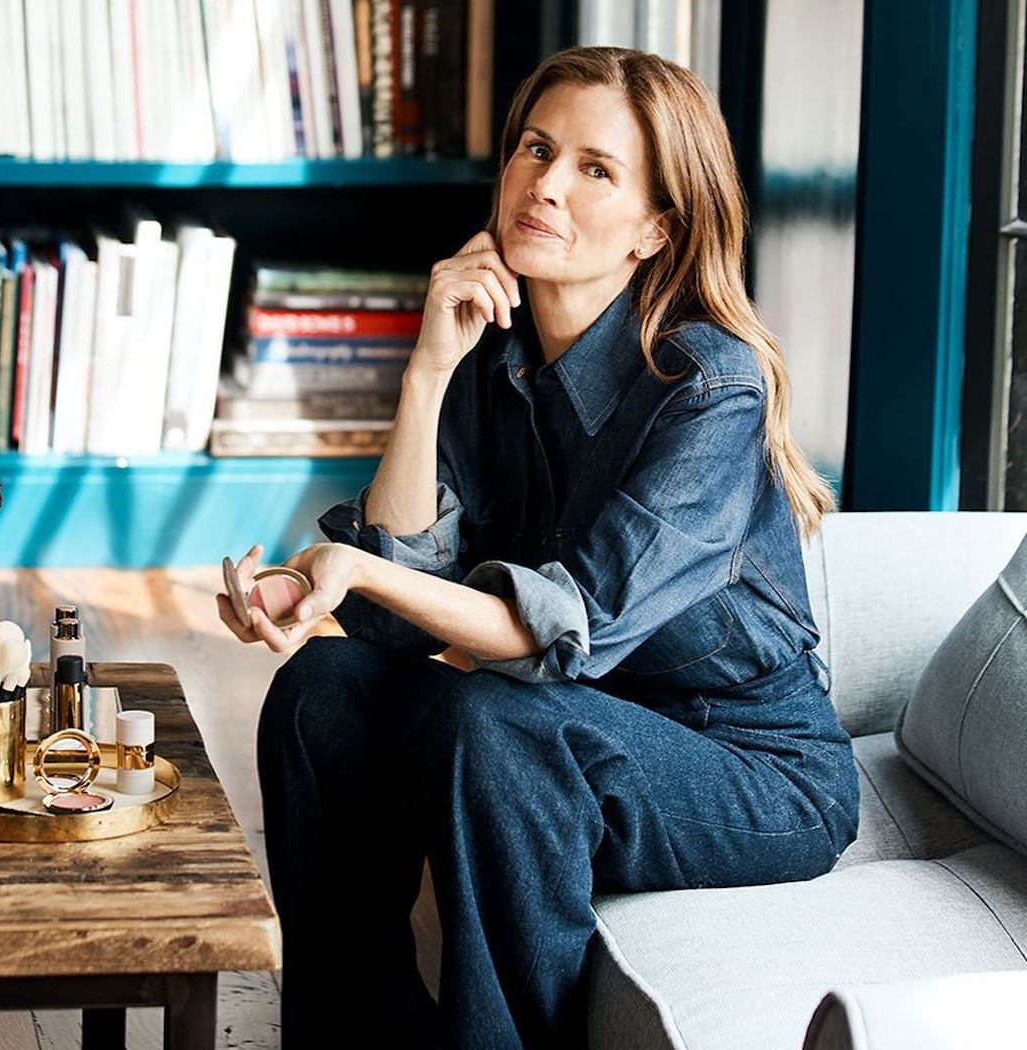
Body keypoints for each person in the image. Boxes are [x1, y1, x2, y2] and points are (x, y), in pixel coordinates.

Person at [217, 44, 859, 1050]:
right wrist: (427, 370)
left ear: (657, 227)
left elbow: (553, 631)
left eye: (593, 170)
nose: (544, 184)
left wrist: (352, 563)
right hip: (571, 726)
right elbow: (388, 619)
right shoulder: (494, 354)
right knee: (323, 693)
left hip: (742, 765)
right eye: (534, 148)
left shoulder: (708, 389)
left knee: (496, 723)